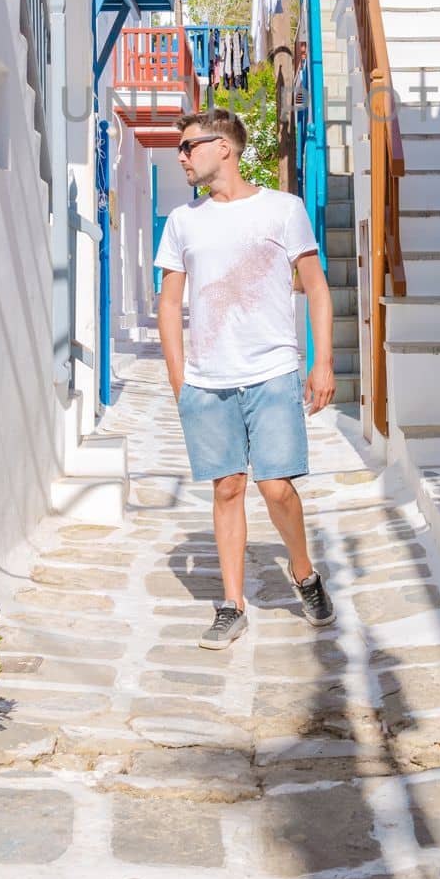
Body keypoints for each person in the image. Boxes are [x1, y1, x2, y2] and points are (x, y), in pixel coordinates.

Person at [155, 107, 337, 649]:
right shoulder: (184, 221)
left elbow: (317, 288)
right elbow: (169, 303)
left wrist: (321, 361)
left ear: (224, 148)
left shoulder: (284, 210)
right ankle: (232, 604)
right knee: (228, 486)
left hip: (272, 371)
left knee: (276, 487)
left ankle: (303, 573)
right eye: (180, 149)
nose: (181, 156)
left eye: (189, 146)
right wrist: (179, 379)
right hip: (208, 380)